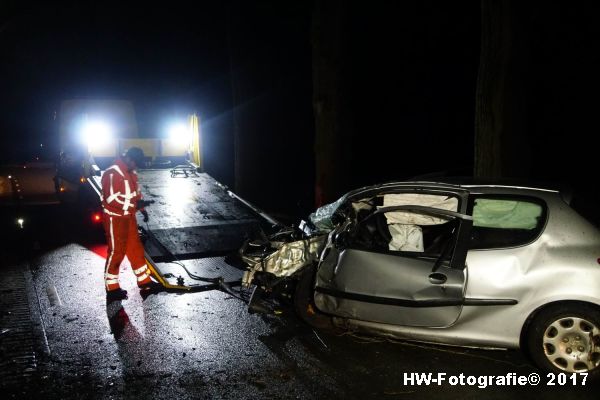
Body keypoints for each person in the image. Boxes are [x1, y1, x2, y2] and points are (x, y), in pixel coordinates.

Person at [101, 147, 160, 300]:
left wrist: (142, 209)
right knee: (117, 252)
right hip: (115, 219)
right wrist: (134, 206)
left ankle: (144, 281)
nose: (136, 166)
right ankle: (112, 288)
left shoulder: (131, 173)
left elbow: (135, 195)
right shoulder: (112, 173)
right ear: (129, 159)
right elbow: (112, 199)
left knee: (135, 249)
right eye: (135, 163)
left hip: (129, 217)